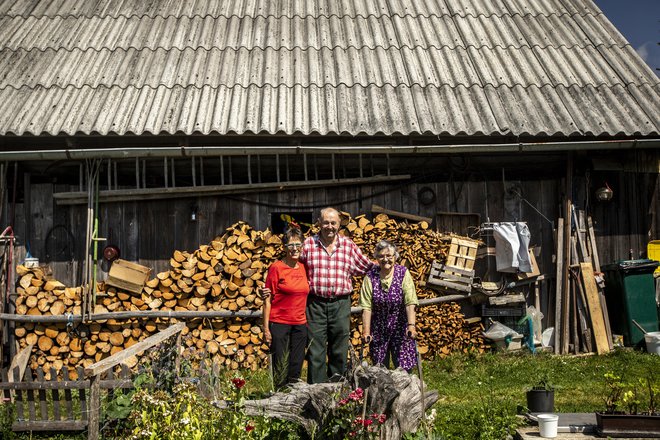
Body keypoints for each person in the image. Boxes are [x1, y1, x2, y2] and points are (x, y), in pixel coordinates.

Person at [300, 207, 374, 384]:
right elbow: (295, 268)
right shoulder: (309, 244)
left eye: (333, 223)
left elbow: (367, 266)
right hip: (315, 304)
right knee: (315, 349)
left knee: (339, 349)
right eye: (326, 222)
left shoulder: (348, 245)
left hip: (341, 304)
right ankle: (316, 392)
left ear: (339, 224)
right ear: (319, 223)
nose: (329, 226)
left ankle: (337, 389)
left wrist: (390, 269)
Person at [360, 240, 419, 372]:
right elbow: (366, 307)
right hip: (379, 328)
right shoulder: (370, 277)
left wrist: (411, 326)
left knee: (404, 368)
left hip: (400, 327)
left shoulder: (403, 273)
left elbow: (410, 302)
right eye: (381, 256)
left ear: (395, 257)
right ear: (376, 258)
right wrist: (366, 331)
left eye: (389, 256)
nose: (385, 259)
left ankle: (407, 391)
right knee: (380, 370)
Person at [263, 224, 310, 389]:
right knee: (280, 364)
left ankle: (293, 397)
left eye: (298, 245)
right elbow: (267, 299)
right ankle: (278, 397)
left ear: (302, 246)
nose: (295, 249)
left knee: (296, 363)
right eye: (291, 245)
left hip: (300, 323)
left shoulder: (305, 268)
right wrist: (266, 328)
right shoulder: (276, 268)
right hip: (280, 322)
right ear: (285, 247)